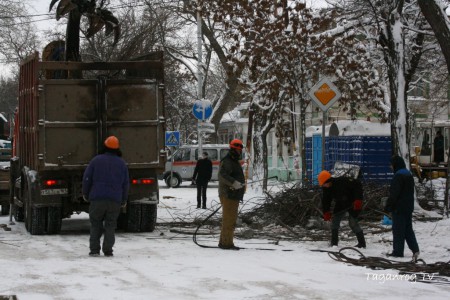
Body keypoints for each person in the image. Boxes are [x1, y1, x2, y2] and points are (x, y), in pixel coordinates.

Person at [82, 136, 129, 257]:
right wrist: (123, 199)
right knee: (110, 225)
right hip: (114, 200)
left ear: (105, 146)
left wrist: (85, 193)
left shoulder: (96, 161)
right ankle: (108, 250)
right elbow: (125, 184)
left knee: (96, 224)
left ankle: (94, 250)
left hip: (97, 199)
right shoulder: (122, 163)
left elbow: (87, 179)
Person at [384, 155, 420, 261]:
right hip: (408, 207)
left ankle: (398, 252)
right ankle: (415, 249)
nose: (390, 167)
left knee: (398, 230)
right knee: (408, 229)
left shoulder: (398, 176)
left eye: (391, 165)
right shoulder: (407, 173)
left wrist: (388, 206)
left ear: (395, 164)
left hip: (399, 208)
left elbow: (394, 194)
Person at [318, 170, 366, 248]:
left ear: (328, 181)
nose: (323, 186)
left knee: (353, 223)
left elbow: (358, 184)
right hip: (341, 204)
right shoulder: (326, 188)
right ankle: (334, 244)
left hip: (353, 203)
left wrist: (358, 200)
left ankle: (362, 243)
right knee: (335, 222)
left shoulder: (342, 181)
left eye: (324, 184)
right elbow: (326, 200)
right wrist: (326, 212)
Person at [218, 139, 246, 250]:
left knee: (230, 219)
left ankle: (224, 241)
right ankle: (226, 244)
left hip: (233, 195)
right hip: (228, 194)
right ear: (233, 149)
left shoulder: (233, 161)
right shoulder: (228, 161)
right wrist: (234, 183)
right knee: (229, 220)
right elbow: (222, 175)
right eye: (238, 150)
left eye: (240, 150)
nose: (240, 152)